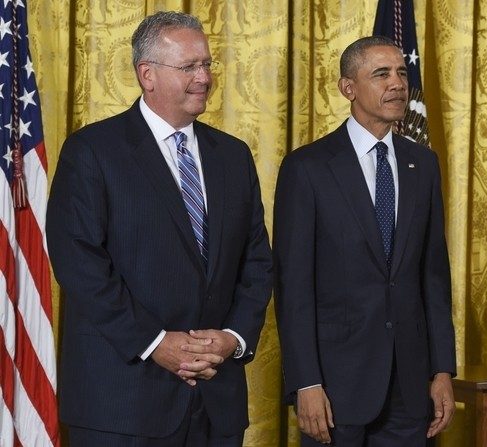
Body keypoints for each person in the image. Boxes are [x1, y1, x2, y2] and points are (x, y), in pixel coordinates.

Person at [47, 11, 272, 446]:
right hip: (123, 402)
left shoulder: (233, 156)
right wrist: (154, 343)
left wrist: (232, 338)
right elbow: (79, 264)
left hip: (216, 402)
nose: (204, 77)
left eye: (207, 64)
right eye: (188, 67)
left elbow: (257, 261)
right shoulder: (92, 151)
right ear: (146, 74)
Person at [273, 36, 456, 446]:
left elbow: (433, 276)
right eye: (381, 74)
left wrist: (442, 370)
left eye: (401, 73)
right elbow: (294, 288)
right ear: (348, 88)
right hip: (335, 389)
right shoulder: (307, 168)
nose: (397, 84)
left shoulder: (422, 164)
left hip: (410, 389)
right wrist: (306, 383)